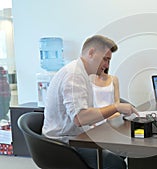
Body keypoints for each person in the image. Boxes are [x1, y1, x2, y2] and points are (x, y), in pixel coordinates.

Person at [42, 35, 138, 169]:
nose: (106, 65)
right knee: (115, 163)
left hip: (77, 136)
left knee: (120, 151)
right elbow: (80, 118)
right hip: (63, 144)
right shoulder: (74, 75)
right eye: (105, 59)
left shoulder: (82, 73)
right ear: (91, 52)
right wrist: (115, 107)